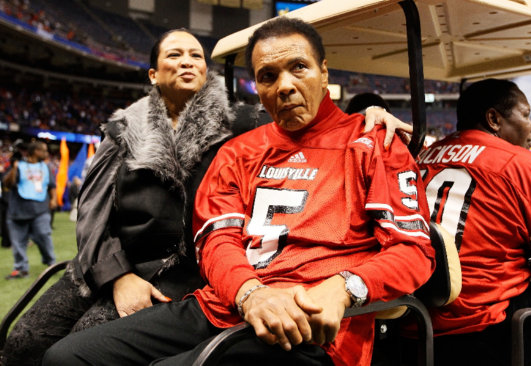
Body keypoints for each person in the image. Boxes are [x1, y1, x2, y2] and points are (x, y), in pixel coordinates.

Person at [43, 17, 435, 366]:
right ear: (257, 88)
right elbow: (216, 238)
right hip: (226, 305)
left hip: (313, 323)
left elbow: (414, 251)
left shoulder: (373, 142)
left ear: (324, 72)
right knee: (66, 356)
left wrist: (344, 288)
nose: (285, 86)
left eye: (299, 68)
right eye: (268, 76)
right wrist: (251, 294)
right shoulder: (238, 148)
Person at [0, 28, 244, 366]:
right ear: (153, 75)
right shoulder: (124, 128)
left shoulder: (240, 128)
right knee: (24, 341)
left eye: (196, 55)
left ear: (206, 70)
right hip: (112, 260)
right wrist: (117, 275)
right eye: (174, 55)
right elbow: (92, 212)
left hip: (183, 275)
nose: (187, 61)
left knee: (77, 349)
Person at [410, 78, 531, 366]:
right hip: (482, 326)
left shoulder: (422, 156)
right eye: (525, 115)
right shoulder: (522, 163)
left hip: (414, 320)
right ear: (494, 119)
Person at [3, 140, 56, 279]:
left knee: (43, 236)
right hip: (18, 211)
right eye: (43, 150)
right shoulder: (19, 165)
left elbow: (52, 185)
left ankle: (51, 265)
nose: (46, 153)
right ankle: (21, 269)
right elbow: (7, 184)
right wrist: (14, 168)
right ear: (35, 151)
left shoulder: (45, 167)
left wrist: (53, 199)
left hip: (40, 209)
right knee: (18, 242)